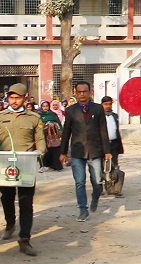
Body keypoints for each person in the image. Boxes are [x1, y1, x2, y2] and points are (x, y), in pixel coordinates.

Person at [0, 83, 45, 257]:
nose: (14, 100)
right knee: (7, 197)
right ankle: (10, 223)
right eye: (11, 97)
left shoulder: (34, 118)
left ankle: (25, 239)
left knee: (26, 202)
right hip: (4, 165)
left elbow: (40, 140)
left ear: (25, 98)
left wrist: (40, 151)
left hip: (25, 163)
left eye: (18, 97)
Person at [60, 81, 111, 222]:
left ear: (90, 92)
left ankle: (95, 196)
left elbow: (103, 130)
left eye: (85, 91)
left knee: (96, 182)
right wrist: (63, 152)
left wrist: (107, 151)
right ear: (75, 93)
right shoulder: (70, 110)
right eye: (79, 92)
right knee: (80, 182)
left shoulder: (98, 109)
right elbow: (66, 132)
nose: (82, 94)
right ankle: (83, 209)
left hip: (95, 151)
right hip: (77, 152)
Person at [101, 96, 124, 197]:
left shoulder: (115, 116)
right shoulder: (98, 116)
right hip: (101, 145)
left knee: (114, 166)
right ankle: (101, 188)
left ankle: (114, 189)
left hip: (114, 144)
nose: (108, 106)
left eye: (110, 104)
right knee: (102, 167)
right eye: (106, 104)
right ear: (102, 105)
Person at [39, 100, 63, 172]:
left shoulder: (53, 114)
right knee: (45, 150)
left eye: (47, 106)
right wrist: (45, 125)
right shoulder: (39, 115)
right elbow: (38, 125)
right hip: (43, 135)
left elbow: (58, 123)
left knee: (55, 149)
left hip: (53, 136)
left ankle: (55, 165)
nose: (45, 108)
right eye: (44, 106)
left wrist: (54, 125)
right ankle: (44, 165)